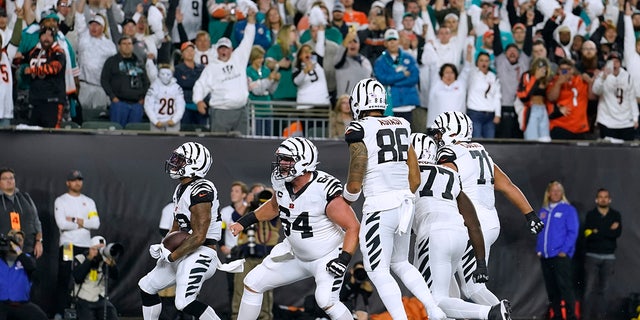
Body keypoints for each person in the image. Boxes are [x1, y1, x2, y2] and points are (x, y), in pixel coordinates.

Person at [342, 78, 446, 320]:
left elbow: (357, 167)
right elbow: (415, 176)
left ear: (358, 102)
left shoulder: (360, 128)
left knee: (376, 270)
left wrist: (349, 196)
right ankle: (433, 309)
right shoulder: (402, 124)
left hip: (380, 205)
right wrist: (404, 195)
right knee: (401, 262)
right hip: (404, 204)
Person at [230, 137, 360, 320]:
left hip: (326, 256)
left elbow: (353, 226)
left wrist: (343, 259)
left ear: (305, 162)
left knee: (326, 300)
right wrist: (244, 222)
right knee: (252, 283)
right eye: (281, 158)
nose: (282, 163)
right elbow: (274, 206)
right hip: (294, 253)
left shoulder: (323, 190)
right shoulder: (281, 182)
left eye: (287, 159)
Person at [433, 111, 543, 308]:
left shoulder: (451, 154)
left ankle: (498, 314)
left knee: (471, 287)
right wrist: (530, 215)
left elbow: (442, 189)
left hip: (471, 226)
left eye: (440, 132)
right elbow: (507, 185)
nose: (437, 137)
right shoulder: (480, 151)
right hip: (490, 224)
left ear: (451, 132)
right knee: (449, 276)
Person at [409, 133, 510, 320]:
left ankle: (490, 312)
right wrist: (480, 263)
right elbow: (473, 223)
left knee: (434, 299)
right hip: (459, 236)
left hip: (433, 235)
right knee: (445, 295)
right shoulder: (449, 175)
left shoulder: (407, 175)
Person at [138, 142, 231, 320]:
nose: (174, 163)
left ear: (195, 164)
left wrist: (172, 256)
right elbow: (176, 225)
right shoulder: (181, 188)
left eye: (180, 160)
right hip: (186, 250)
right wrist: (163, 247)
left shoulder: (201, 189)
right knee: (146, 287)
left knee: (184, 302)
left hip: (202, 252)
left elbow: (198, 236)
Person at [192, 9, 257, 134]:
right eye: (221, 49)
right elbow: (201, 84)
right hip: (221, 111)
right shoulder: (211, 67)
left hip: (241, 111)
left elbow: (248, 40)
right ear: (217, 50)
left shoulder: (239, 57)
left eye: (226, 49)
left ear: (231, 49)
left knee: (241, 146)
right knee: (219, 146)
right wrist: (198, 100)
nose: (223, 52)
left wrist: (251, 22)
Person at [54, 170, 101, 319]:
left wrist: (74, 220)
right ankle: (60, 313)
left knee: (86, 278)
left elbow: (96, 223)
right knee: (65, 277)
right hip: (68, 244)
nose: (77, 182)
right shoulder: (61, 201)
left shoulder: (89, 201)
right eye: (74, 180)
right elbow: (61, 224)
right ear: (68, 182)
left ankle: (84, 312)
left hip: (86, 245)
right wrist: (83, 224)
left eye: (80, 179)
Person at [230, 188, 280, 320]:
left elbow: (275, 218)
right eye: (256, 192)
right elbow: (235, 217)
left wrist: (271, 196)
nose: (260, 195)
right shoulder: (246, 211)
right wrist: (247, 202)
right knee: (240, 290)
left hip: (266, 257)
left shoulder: (271, 211)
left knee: (265, 291)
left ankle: (265, 317)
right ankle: (237, 317)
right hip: (245, 258)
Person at [535, 181, 579, 320]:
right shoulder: (543, 211)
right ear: (548, 193)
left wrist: (564, 250)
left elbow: (573, 231)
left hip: (560, 256)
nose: (555, 193)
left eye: (558, 190)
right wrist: (539, 249)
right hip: (546, 257)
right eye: (553, 190)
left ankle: (571, 317)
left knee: (565, 289)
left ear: (562, 193)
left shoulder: (568, 209)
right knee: (552, 290)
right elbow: (540, 232)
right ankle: (557, 316)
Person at [582, 188, 622, 320]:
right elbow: (587, 235)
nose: (603, 199)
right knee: (588, 289)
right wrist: (607, 229)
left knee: (604, 290)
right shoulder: (591, 215)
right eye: (601, 196)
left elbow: (616, 233)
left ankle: (601, 317)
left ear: (609, 199)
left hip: (609, 257)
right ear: (596, 199)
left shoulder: (615, 215)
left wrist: (597, 231)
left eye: (605, 197)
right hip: (592, 256)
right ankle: (585, 317)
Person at [101, 35, 151, 128]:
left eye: (129, 43)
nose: (127, 46)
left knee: (134, 134)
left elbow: (146, 82)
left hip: (137, 104)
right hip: (119, 104)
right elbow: (104, 80)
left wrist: (143, 98)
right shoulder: (112, 61)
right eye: (124, 44)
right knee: (117, 132)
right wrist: (113, 97)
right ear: (119, 46)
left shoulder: (139, 62)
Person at [23, 25, 66, 128]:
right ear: (39, 36)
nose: (47, 38)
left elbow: (55, 68)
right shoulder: (34, 52)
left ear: (54, 38)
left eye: (50, 35)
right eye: (44, 35)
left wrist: (34, 70)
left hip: (53, 102)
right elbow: (20, 61)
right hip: (35, 101)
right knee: (33, 137)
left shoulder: (58, 52)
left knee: (52, 137)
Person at [373, 28, 420, 124]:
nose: (392, 43)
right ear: (385, 43)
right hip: (391, 103)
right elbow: (382, 80)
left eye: (394, 39)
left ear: (398, 41)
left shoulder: (409, 57)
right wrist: (402, 75)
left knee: (407, 133)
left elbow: (414, 78)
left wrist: (392, 82)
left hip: (408, 103)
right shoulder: (380, 61)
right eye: (389, 40)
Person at [0, 229, 47, 320]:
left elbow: (31, 266)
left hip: (21, 304)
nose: (17, 242)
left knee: (40, 317)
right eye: (14, 239)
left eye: (20, 240)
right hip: (2, 304)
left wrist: (17, 250)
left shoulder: (27, 259)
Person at [591, 51, 639, 141]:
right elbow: (596, 91)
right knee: (609, 152)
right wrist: (603, 78)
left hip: (626, 121)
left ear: (620, 63)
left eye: (616, 61)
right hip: (607, 120)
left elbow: (632, 98)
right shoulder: (602, 76)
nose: (614, 64)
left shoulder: (627, 76)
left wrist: (635, 117)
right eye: (611, 61)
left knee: (626, 151)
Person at [71, 235, 119, 320]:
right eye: (97, 248)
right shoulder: (80, 258)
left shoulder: (104, 261)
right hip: (83, 298)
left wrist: (111, 264)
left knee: (111, 313)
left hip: (99, 298)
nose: (99, 252)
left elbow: (115, 277)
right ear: (90, 248)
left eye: (102, 249)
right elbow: (77, 278)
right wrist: (90, 258)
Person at [0, 168, 43, 258]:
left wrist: (39, 241)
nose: (9, 181)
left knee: (26, 271)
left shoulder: (25, 197)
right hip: (4, 251)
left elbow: (36, 221)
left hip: (28, 249)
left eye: (11, 178)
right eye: (5, 178)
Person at [545, 58, 591, 140]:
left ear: (573, 70)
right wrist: (558, 83)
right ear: (559, 70)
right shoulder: (553, 81)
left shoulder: (581, 80)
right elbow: (551, 98)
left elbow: (592, 97)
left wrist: (590, 82)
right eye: (563, 70)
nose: (566, 73)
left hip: (580, 128)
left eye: (568, 70)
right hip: (560, 126)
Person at [144, 64, 186, 132]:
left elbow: (181, 106)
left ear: (172, 74)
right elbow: (148, 105)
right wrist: (155, 121)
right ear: (158, 74)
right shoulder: (154, 87)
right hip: (157, 122)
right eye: (162, 74)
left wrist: (174, 120)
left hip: (173, 123)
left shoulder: (177, 88)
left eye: (168, 74)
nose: (165, 76)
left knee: (173, 142)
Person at [175, 42, 207, 127]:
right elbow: (181, 84)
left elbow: (205, 84)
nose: (190, 53)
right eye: (187, 51)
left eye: (192, 50)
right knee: (186, 132)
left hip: (200, 106)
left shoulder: (202, 68)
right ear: (182, 54)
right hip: (185, 107)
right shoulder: (178, 69)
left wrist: (189, 81)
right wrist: (197, 82)